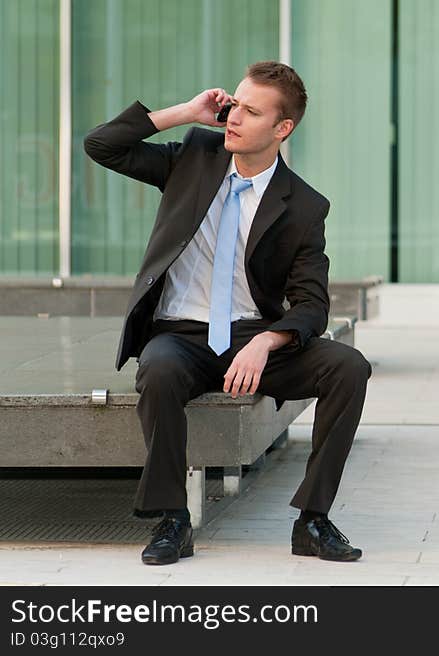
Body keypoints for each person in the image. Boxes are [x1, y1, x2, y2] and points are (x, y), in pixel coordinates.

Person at [83, 61, 370, 565]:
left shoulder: (303, 206)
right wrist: (186, 113)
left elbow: (312, 305)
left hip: (252, 338)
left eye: (252, 111)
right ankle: (174, 519)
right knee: (160, 369)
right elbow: (101, 145)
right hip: (180, 334)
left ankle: (313, 521)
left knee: (348, 367)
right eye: (235, 104)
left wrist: (268, 341)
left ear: (283, 129)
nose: (234, 117)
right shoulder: (193, 157)